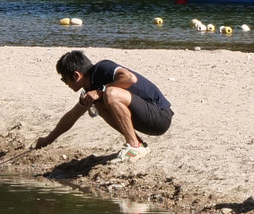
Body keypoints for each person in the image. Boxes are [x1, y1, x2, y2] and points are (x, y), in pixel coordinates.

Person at [34, 49, 174, 159]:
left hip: (160, 116)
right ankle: (139, 145)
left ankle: (134, 146)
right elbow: (72, 116)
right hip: (145, 118)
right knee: (99, 104)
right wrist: (47, 139)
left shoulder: (102, 68)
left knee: (110, 94)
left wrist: (101, 91)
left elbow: (130, 78)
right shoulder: (89, 90)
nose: (65, 84)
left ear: (76, 75)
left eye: (64, 80)